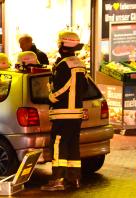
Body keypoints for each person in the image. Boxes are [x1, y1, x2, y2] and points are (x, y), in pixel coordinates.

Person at [40, 31, 88, 191]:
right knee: (73, 145)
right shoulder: (79, 63)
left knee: (58, 145)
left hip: (63, 113)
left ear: (62, 46)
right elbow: (85, 88)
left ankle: (57, 180)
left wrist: (51, 98)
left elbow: (62, 88)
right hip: (76, 114)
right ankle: (73, 179)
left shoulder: (63, 65)